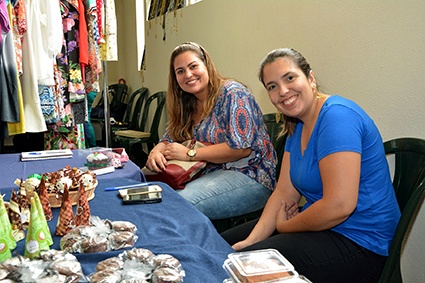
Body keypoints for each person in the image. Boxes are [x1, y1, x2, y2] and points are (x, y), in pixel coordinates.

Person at [221, 48, 401, 283]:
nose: (283, 91)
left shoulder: (337, 117)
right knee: (221, 246)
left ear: (311, 78)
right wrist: (253, 239)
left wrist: (285, 227)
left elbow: (339, 206)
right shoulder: (296, 125)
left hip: (363, 243)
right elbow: (285, 191)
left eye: (289, 78)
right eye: (272, 86)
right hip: (326, 230)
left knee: (239, 266)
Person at [145, 42, 276, 220]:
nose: (188, 75)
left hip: (250, 175)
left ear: (206, 65)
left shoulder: (233, 93)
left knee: (176, 206)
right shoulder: (188, 102)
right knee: (149, 196)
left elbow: (241, 149)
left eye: (193, 66)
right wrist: (157, 150)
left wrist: (190, 154)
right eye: (180, 71)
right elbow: (169, 137)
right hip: (209, 174)